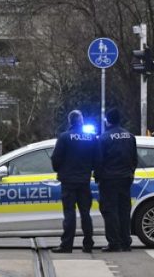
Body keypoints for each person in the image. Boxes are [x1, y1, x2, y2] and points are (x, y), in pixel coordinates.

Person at [51, 109, 101, 254]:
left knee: (69, 213)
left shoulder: (64, 137)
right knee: (85, 213)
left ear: (70, 121)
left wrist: (60, 170)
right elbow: (97, 159)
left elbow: (56, 159)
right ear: (82, 121)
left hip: (68, 181)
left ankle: (67, 245)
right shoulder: (91, 138)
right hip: (84, 180)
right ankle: (88, 244)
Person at [97, 108, 138, 252]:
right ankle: (126, 242)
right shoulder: (130, 136)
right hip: (125, 179)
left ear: (107, 121)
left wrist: (98, 176)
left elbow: (99, 161)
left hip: (109, 180)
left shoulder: (104, 138)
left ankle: (114, 243)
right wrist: (130, 173)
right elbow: (134, 159)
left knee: (110, 211)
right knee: (124, 210)